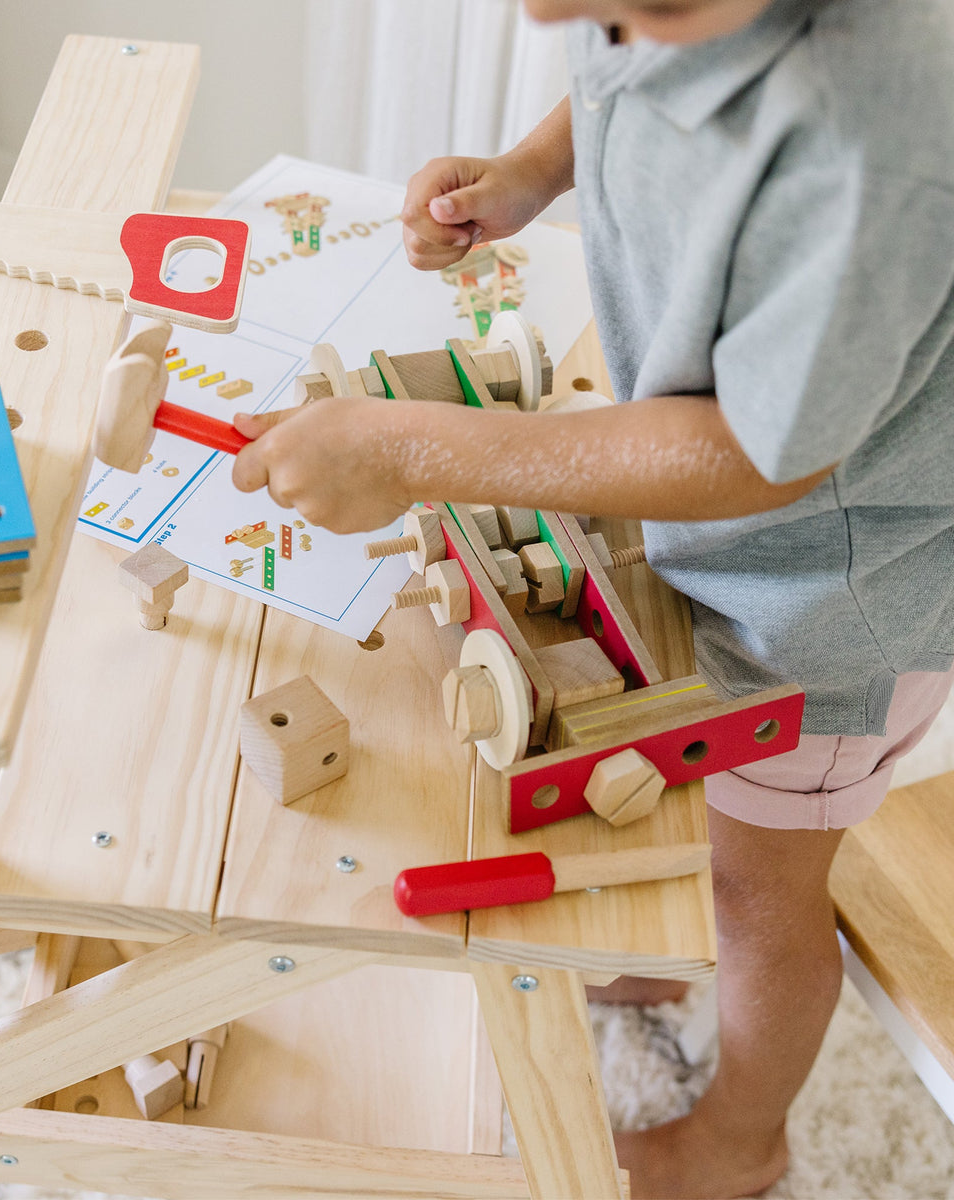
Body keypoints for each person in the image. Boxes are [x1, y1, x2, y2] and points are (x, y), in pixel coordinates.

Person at [232, 0, 954, 1194]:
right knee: (684, 794)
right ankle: (663, 957)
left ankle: (743, 1139)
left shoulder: (874, 138)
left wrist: (416, 450)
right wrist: (529, 171)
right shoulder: (647, 17)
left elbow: (755, 456)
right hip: (711, 518)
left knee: (762, 892)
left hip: (829, 602)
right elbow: (615, 76)